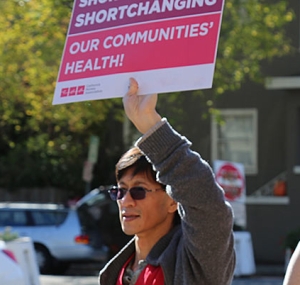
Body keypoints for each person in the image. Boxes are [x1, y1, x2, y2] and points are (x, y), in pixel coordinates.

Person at [99, 78, 235, 285]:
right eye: (120, 191)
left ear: (174, 200)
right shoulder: (115, 273)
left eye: (139, 190)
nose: (125, 201)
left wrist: (150, 125)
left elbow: (209, 204)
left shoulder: (195, 263)